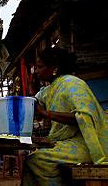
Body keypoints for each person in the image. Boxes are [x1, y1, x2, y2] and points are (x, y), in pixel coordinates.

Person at [22, 47, 108, 185]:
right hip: (67, 142)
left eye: (39, 67)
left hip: (89, 144)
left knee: (37, 160)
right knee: (32, 159)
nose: (36, 71)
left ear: (54, 68)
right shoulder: (51, 88)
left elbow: (86, 117)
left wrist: (46, 113)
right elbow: (31, 103)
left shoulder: (72, 84)